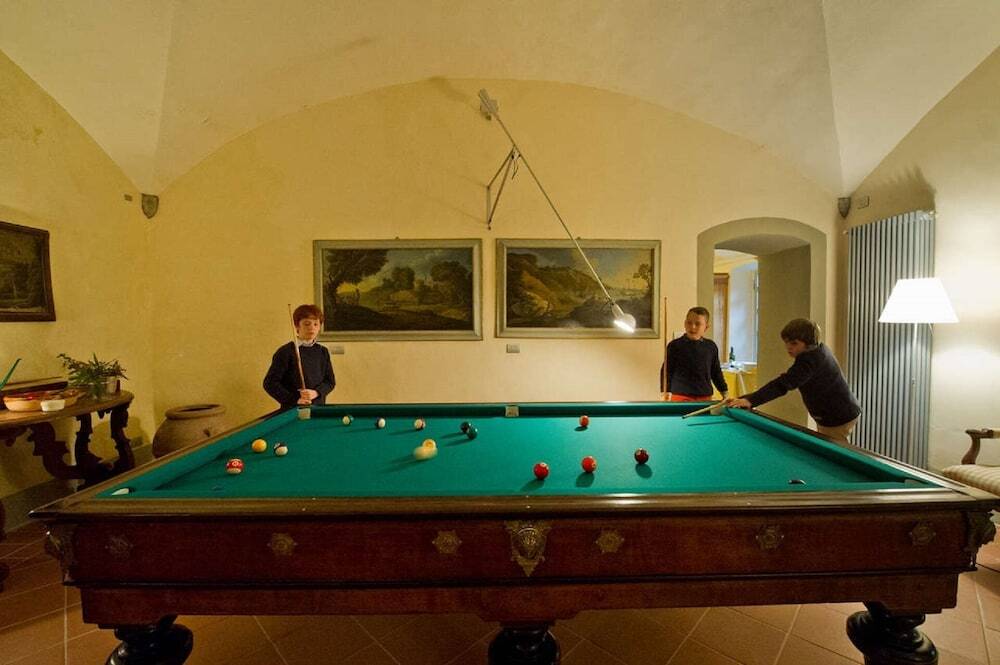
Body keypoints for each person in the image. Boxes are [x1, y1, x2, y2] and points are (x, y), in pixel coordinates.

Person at [725, 318, 860, 444]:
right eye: (787, 342)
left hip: (838, 416)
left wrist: (750, 400)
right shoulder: (817, 350)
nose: (788, 347)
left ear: (808, 343)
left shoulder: (810, 360)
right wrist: (745, 399)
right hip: (838, 412)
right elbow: (792, 379)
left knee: (832, 455)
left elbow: (782, 385)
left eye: (794, 343)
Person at [263, 304, 336, 408]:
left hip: (318, 409)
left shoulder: (323, 352)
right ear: (297, 326)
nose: (312, 327)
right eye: (307, 324)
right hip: (292, 410)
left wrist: (316, 392)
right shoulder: (286, 351)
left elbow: (330, 382)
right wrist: (295, 400)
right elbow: (270, 383)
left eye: (316, 324)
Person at [660, 306, 729, 402]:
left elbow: (716, 372)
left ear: (706, 327)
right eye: (689, 323)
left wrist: (724, 391)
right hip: (680, 395)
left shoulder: (711, 347)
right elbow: (666, 371)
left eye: (698, 324)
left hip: (704, 396)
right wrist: (665, 391)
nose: (693, 327)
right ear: (685, 324)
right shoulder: (674, 345)